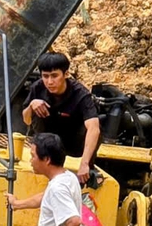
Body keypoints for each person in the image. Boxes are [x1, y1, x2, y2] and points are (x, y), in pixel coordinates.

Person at [21, 51, 102, 186]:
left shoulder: (81, 94)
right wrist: (31, 105)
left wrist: (84, 163)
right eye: (45, 76)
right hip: (50, 140)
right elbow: (26, 120)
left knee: (95, 128)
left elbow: (94, 128)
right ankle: (42, 158)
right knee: (37, 108)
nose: (50, 82)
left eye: (54, 76)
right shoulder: (38, 88)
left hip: (73, 142)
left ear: (66, 74)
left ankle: (89, 168)